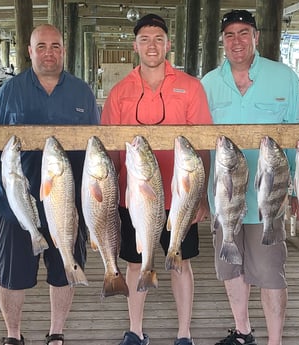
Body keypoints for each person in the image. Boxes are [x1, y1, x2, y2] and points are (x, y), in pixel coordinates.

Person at [0, 24, 100, 345]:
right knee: (11, 275)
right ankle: (13, 335)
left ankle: (56, 332)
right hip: (15, 203)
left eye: (55, 46)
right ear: (29, 51)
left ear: (64, 50)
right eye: (41, 46)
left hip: (67, 202)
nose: (49, 52)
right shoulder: (11, 91)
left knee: (63, 269)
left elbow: (97, 149)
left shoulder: (82, 92)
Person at [101, 14, 213, 345]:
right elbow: (109, 150)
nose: (152, 45)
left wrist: (201, 195)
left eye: (159, 39)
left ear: (169, 44)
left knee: (181, 263)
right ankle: (135, 330)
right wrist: (107, 199)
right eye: (145, 39)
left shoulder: (190, 87)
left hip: (181, 196)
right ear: (135, 46)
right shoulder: (120, 91)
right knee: (136, 263)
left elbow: (202, 143)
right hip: (134, 199)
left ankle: (184, 333)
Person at [201, 10, 299, 345]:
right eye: (230, 34)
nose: (237, 41)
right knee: (231, 270)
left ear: (256, 36)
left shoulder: (284, 77)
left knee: (272, 274)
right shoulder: (208, 83)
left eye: (244, 33)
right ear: (222, 41)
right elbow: (200, 146)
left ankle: (274, 341)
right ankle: (244, 332)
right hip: (224, 197)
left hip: (269, 199)